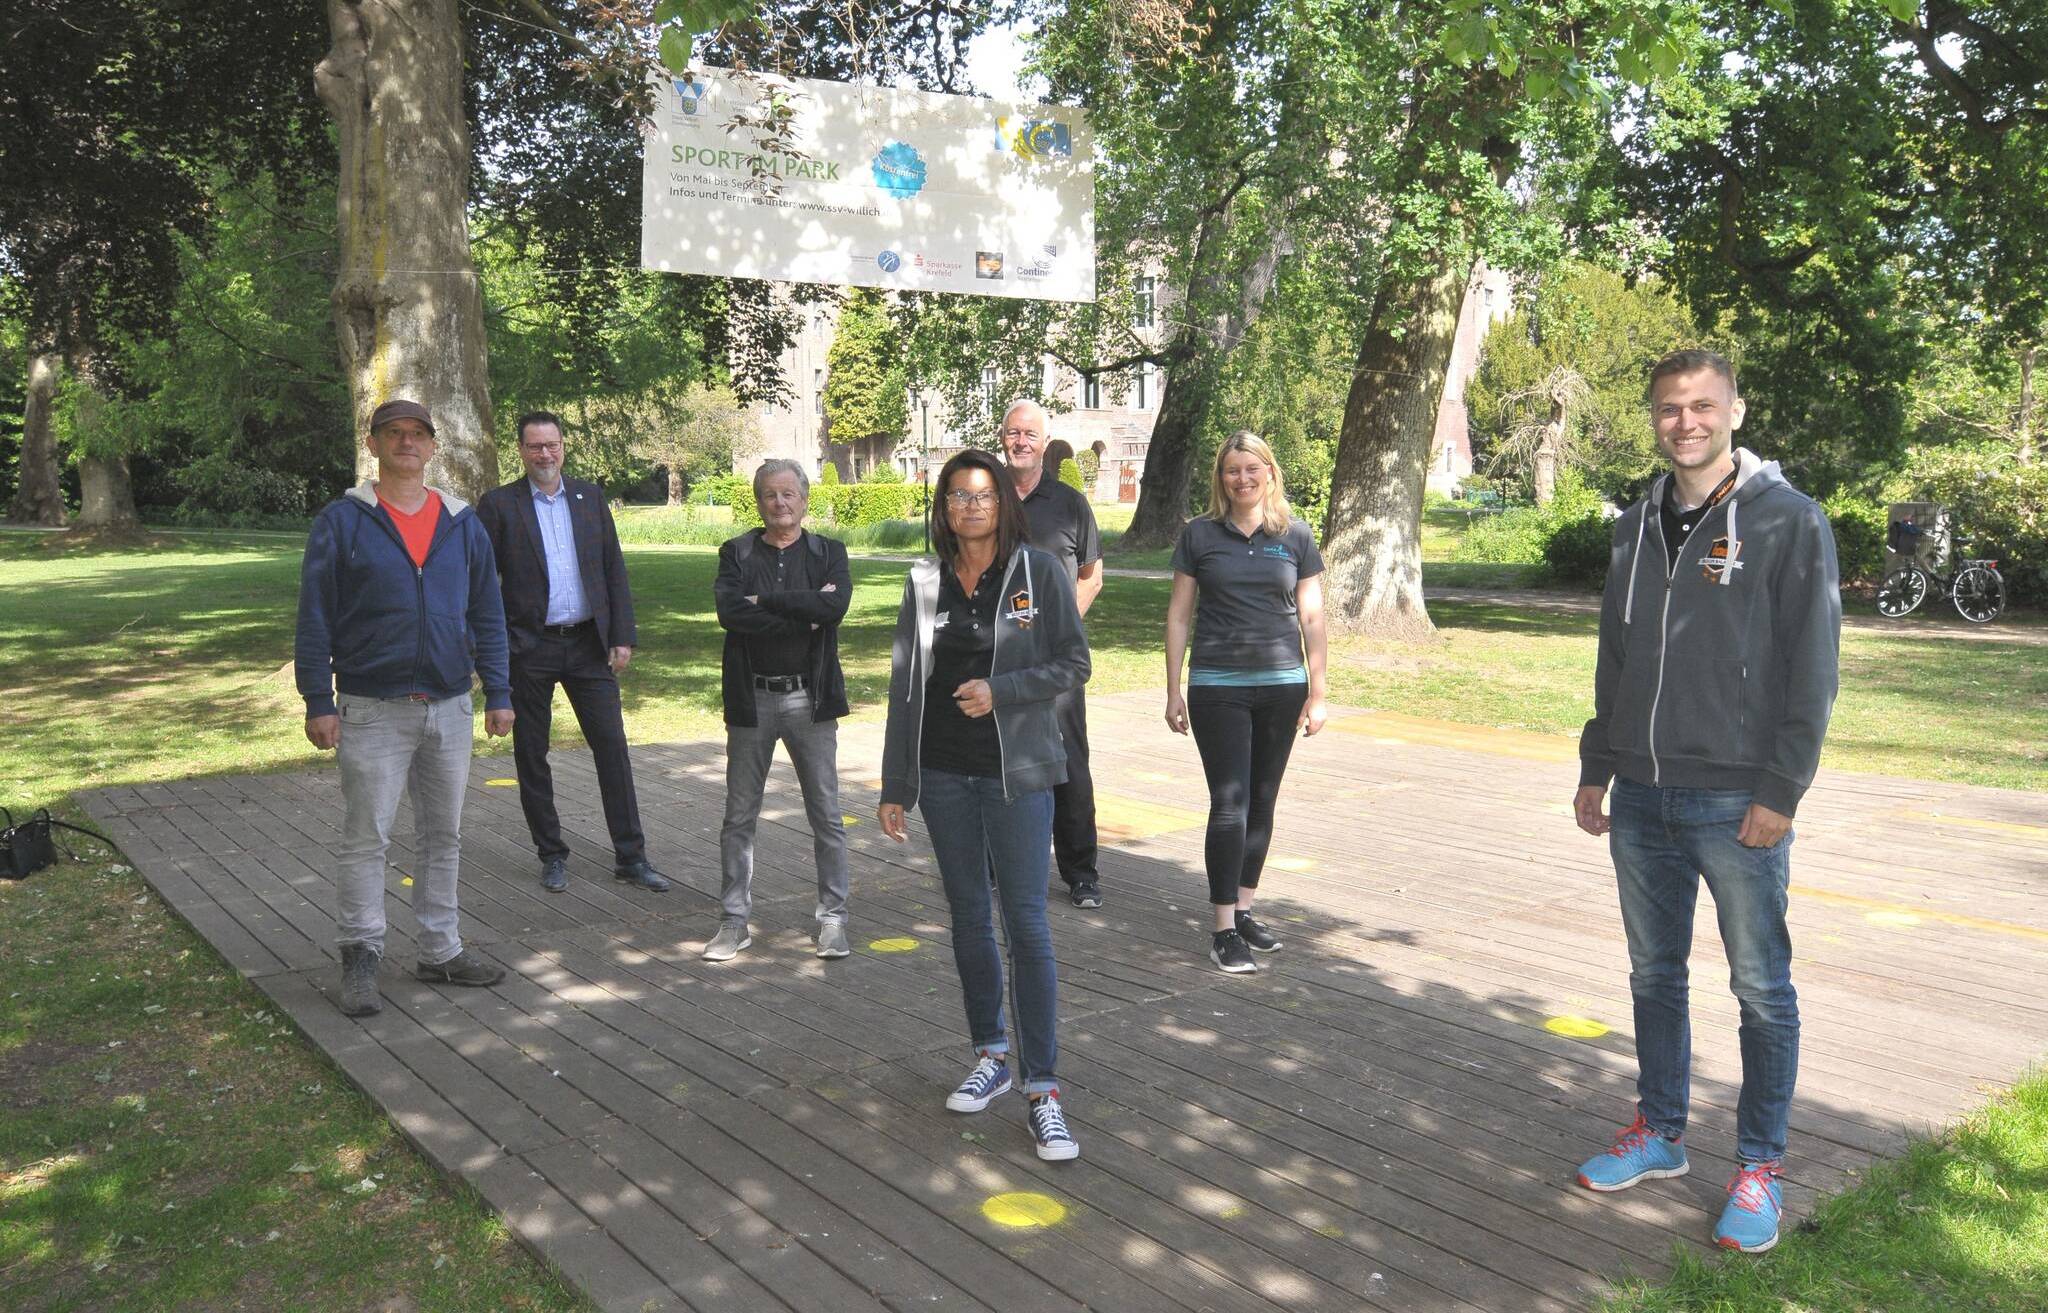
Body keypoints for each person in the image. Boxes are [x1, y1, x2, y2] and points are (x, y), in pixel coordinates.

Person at [1573, 348, 1841, 1254]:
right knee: (1656, 975)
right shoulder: (1632, 526)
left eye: (1701, 405)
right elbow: (1616, 657)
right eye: (1667, 408)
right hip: (1642, 795)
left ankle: (1760, 1164)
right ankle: (1659, 1133)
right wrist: (1596, 764)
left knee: (1761, 988)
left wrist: (1781, 790)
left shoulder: (1789, 521)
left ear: (1734, 408)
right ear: (1653, 418)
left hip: (1738, 802)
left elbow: (1813, 671)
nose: (1684, 421)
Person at [877, 449, 1090, 1162]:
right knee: (968, 916)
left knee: (1026, 923)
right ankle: (992, 1054)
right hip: (942, 773)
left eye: (982, 494)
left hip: (1019, 773)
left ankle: (1044, 1090)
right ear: (943, 509)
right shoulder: (925, 580)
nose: (970, 506)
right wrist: (894, 783)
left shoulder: (1039, 572)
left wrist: (1003, 690)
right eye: (957, 496)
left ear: (1003, 501)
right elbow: (907, 682)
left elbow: (1073, 662)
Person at [295, 398, 512, 1017]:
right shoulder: (343, 521)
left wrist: (498, 691)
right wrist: (319, 699)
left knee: (443, 836)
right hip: (370, 707)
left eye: (418, 434)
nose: (407, 443)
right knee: (368, 839)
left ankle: (440, 950)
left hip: (448, 705)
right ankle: (361, 958)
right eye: (395, 433)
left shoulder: (461, 522)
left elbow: (487, 613)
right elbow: (314, 618)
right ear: (374, 443)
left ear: (433, 447)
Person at [476, 412, 668, 895]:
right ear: (521, 451)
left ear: (564, 447)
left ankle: (631, 856)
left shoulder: (589, 498)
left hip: (588, 646)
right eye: (535, 446)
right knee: (532, 755)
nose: (545, 454)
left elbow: (612, 567)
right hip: (530, 647)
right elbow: (481, 585)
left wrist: (621, 635)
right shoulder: (499, 506)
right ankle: (552, 854)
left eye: (553, 445)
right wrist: (496, 649)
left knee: (613, 750)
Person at [1163, 432, 1328, 974]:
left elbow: (1312, 618)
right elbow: (1180, 616)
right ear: (1221, 478)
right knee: (1228, 803)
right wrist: (1172, 689)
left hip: (1283, 687)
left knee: (1262, 801)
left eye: (1251, 468)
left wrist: (1318, 691)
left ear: (1269, 473)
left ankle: (1245, 908)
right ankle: (1222, 928)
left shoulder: (1296, 537)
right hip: (1218, 687)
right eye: (1232, 470)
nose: (1242, 479)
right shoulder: (1200, 536)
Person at [709, 460, 854, 961]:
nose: (780, 503)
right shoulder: (736, 552)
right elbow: (731, 613)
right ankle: (734, 922)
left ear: (805, 499)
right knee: (739, 816)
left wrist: (765, 604)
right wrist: (802, 611)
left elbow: (833, 609)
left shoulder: (828, 552)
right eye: (770, 495)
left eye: (789, 494)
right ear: (759, 501)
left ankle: (833, 919)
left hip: (810, 701)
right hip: (752, 700)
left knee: (826, 814)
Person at [998, 399, 1105, 908]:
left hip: (1056, 661)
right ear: (1002, 437)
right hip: (994, 657)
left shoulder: (1069, 504)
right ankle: (1004, 865)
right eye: (1013, 432)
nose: (1021, 442)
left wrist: (1060, 630)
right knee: (999, 760)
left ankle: (1081, 872)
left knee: (1067, 761)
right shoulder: (983, 497)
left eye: (1031, 435)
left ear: (1044, 444)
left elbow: (1091, 577)